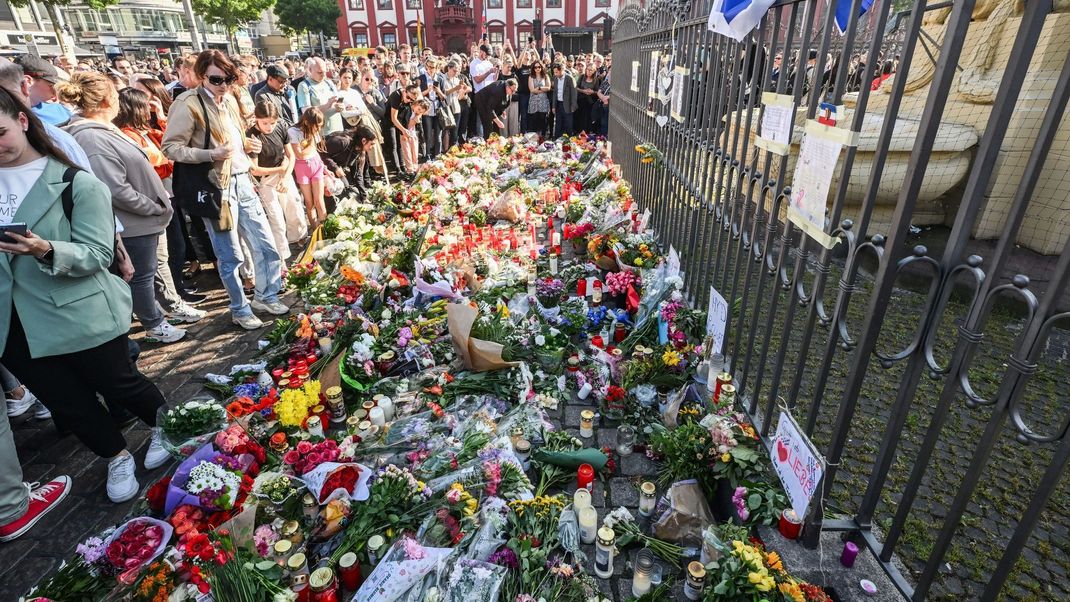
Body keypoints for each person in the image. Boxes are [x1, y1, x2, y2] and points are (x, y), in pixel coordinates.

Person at [0, 86, 169, 503]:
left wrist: (47, 248)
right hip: (12, 323)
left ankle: (169, 424)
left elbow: (97, 252)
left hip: (76, 310)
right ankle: (114, 454)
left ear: (22, 121)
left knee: (119, 383)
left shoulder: (76, 182)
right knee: (67, 402)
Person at [162, 50, 287, 330]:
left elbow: (236, 138)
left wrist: (248, 145)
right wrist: (211, 154)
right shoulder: (187, 103)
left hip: (243, 179)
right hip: (217, 187)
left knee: (266, 245)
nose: (223, 85)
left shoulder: (229, 99)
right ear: (201, 75)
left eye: (229, 78)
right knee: (231, 255)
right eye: (217, 79)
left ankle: (266, 296)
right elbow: (170, 148)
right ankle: (240, 308)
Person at [59, 72, 188, 344]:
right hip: (133, 222)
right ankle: (154, 324)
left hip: (143, 218)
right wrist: (151, 206)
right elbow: (114, 189)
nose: (120, 101)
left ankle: (162, 312)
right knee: (140, 275)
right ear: (106, 100)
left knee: (151, 270)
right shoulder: (92, 137)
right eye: (116, 96)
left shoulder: (103, 130)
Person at [112, 88, 207, 325]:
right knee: (164, 254)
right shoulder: (128, 136)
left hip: (166, 195)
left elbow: (168, 142)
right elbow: (159, 160)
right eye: (145, 105)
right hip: (153, 200)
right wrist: (169, 163)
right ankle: (166, 304)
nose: (148, 109)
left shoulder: (143, 132)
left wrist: (162, 114)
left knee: (173, 249)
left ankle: (175, 296)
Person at [248, 100, 302, 260]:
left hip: (284, 173)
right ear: (256, 118)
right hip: (266, 179)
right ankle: (282, 255)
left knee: (294, 207)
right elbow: (255, 170)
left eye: (272, 123)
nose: (269, 127)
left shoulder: (280, 127)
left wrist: (285, 177)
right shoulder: (252, 136)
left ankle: (298, 239)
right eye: (265, 123)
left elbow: (291, 155)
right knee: (276, 218)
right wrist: (280, 170)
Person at [289, 108, 329, 229]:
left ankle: (325, 228)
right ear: (307, 122)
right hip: (302, 168)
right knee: (309, 203)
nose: (318, 129)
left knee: (319, 201)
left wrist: (323, 166)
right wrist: (310, 144)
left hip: (316, 164)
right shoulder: (293, 131)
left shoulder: (314, 131)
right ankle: (314, 229)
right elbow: (299, 154)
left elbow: (314, 150)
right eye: (317, 126)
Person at [14, 56, 71, 127]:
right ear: (27, 81)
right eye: (50, 85)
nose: (55, 90)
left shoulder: (61, 110)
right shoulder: (11, 118)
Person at [296, 57, 344, 135]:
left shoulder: (329, 83)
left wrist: (340, 106)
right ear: (310, 70)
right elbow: (306, 112)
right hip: (322, 133)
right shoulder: (304, 85)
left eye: (325, 72)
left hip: (338, 129)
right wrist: (327, 105)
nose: (323, 75)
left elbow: (337, 101)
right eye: (320, 72)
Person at [401, 99, 429, 174]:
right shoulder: (407, 110)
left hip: (413, 134)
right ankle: (410, 171)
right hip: (405, 134)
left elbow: (417, 124)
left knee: (415, 153)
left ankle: (415, 168)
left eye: (421, 111)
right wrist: (403, 132)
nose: (418, 111)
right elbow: (405, 123)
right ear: (416, 104)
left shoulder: (417, 113)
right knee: (407, 153)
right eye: (419, 109)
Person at [551, 63, 577, 138]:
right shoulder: (555, 79)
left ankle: (569, 138)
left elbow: (574, 93)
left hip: (567, 104)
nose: (555, 74)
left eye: (556, 72)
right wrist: (553, 106)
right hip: (558, 104)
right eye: (554, 72)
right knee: (558, 123)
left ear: (562, 70)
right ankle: (557, 139)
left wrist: (573, 105)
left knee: (568, 123)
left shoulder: (569, 78)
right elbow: (555, 93)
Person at [527, 61, 551, 136]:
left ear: (541, 67)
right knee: (534, 119)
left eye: (539, 67)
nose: (537, 68)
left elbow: (548, 88)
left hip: (543, 101)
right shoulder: (531, 77)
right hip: (534, 101)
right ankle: (534, 136)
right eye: (535, 67)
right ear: (533, 68)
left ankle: (543, 136)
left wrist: (539, 88)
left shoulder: (546, 76)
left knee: (543, 118)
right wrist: (542, 90)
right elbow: (532, 90)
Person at [576, 63, 599, 134]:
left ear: (594, 71)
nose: (589, 71)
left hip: (590, 102)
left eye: (591, 70)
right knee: (580, 117)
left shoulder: (596, 80)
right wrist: (583, 91)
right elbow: (576, 87)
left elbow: (598, 91)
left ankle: (587, 132)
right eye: (588, 69)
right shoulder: (582, 76)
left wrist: (592, 92)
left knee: (587, 118)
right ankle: (579, 132)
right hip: (581, 100)